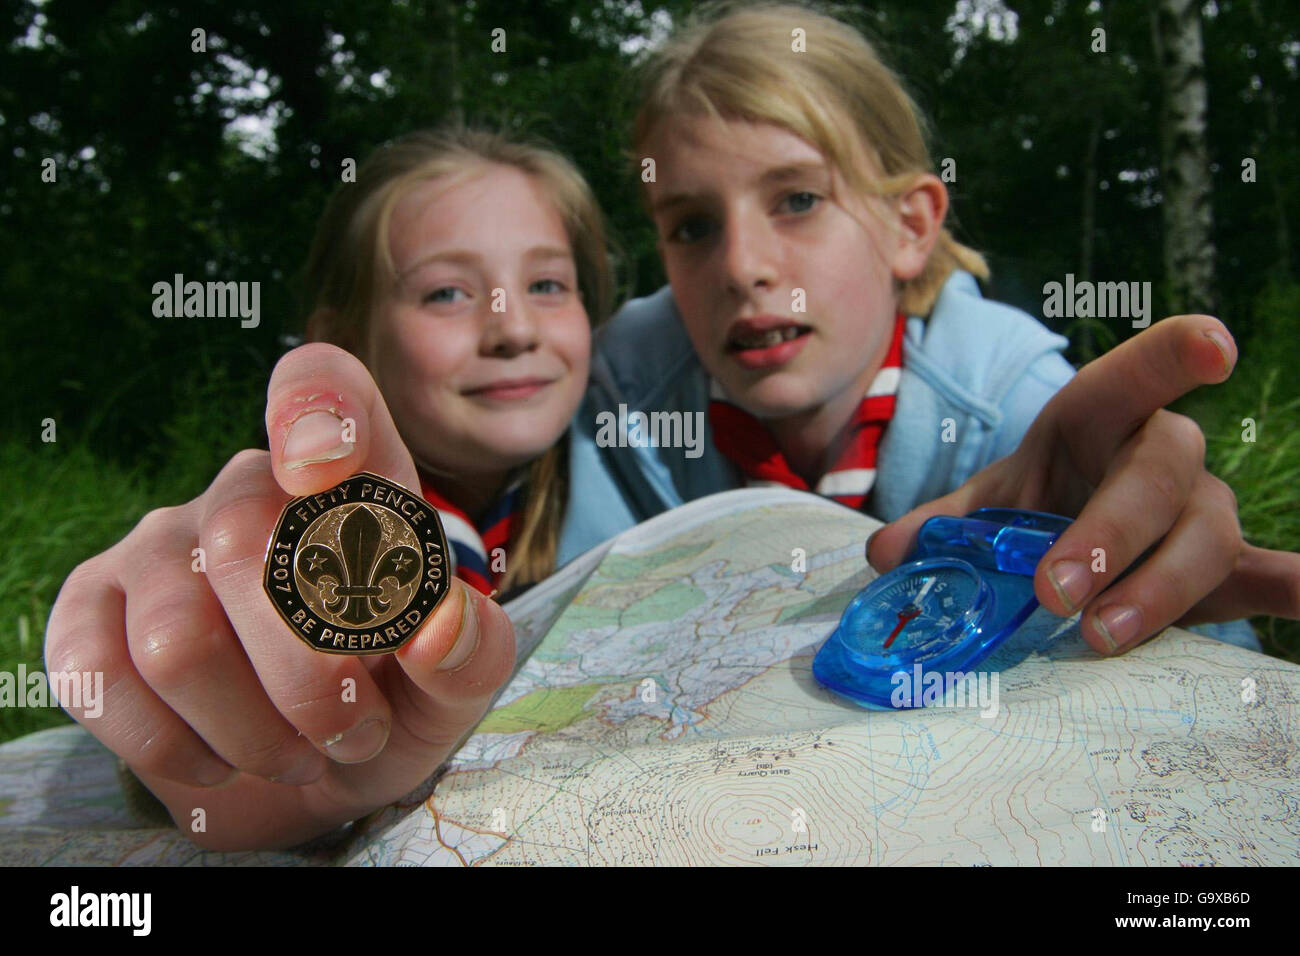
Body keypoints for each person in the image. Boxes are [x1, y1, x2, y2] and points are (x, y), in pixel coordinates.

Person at [565, 1, 1300, 655]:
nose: (741, 266)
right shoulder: (619, 394)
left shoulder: (1022, 412)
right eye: (692, 225)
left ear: (908, 226)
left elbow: (1198, 630)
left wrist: (1161, 575)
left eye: (797, 200)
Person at [44, 127, 614, 851]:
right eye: (445, 292)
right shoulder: (303, 520)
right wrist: (219, 731)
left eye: (547, 284)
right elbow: (201, 687)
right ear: (345, 338)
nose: (513, 327)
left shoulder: (638, 467)